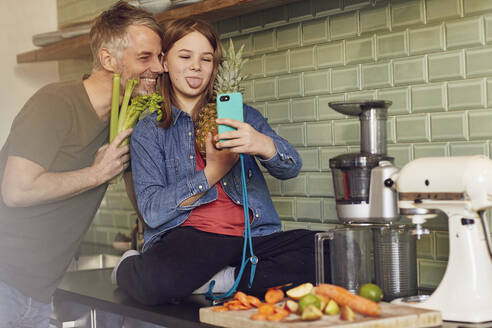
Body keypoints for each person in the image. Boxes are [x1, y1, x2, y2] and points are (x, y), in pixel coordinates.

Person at [113, 18, 323, 306]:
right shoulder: (150, 130)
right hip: (193, 239)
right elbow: (151, 211)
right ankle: (131, 267)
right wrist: (212, 172)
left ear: (215, 66)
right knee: (154, 282)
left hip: (253, 239)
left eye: (206, 59)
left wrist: (262, 144)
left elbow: (291, 167)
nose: (196, 66)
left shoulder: (242, 116)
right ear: (164, 61)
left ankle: (224, 278)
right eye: (185, 56)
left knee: (327, 252)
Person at [0, 1, 164, 326]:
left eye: (159, 57)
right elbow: (16, 190)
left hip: (37, 291)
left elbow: (145, 207)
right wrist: (96, 173)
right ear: (108, 59)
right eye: (145, 57)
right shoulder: (55, 103)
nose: (159, 67)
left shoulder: (122, 122)